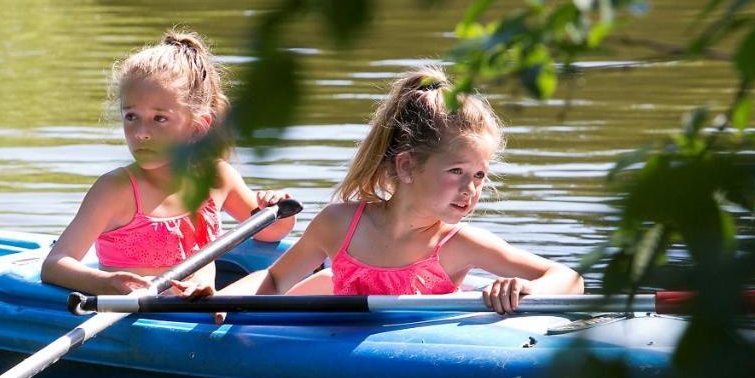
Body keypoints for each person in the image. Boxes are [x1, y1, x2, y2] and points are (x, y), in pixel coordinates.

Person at [242, 66, 582, 313]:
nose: (470, 188)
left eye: (479, 175)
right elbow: (274, 280)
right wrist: (231, 317)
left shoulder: (460, 244)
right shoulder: (339, 224)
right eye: (456, 171)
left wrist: (527, 288)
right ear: (406, 166)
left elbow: (570, 279)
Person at [41, 30, 295, 296]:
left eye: (159, 118)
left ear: (198, 127)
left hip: (201, 310)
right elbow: (56, 264)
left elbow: (269, 233)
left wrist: (276, 208)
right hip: (136, 317)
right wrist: (106, 284)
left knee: (269, 278)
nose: (141, 133)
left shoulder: (217, 178)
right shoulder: (115, 189)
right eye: (131, 117)